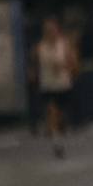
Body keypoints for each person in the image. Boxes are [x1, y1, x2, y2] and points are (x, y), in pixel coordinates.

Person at [31, 14, 79, 158]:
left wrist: (63, 66)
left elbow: (75, 65)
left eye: (52, 29)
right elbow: (33, 64)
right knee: (52, 112)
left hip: (63, 86)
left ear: (57, 30)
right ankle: (57, 143)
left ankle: (60, 128)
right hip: (48, 87)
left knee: (60, 116)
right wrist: (33, 74)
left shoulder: (64, 44)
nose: (50, 32)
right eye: (47, 30)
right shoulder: (39, 47)